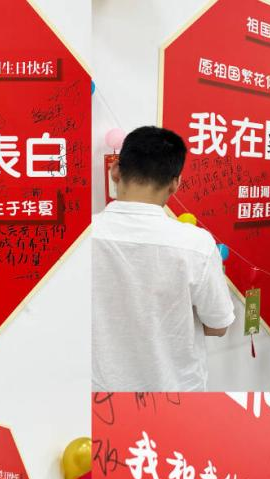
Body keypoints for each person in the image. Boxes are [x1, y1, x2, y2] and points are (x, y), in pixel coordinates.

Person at [92, 125, 235, 391]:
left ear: (116, 171)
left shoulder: (80, 237)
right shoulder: (196, 244)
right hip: (175, 395)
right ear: (175, 183)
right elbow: (218, 326)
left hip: (98, 396)